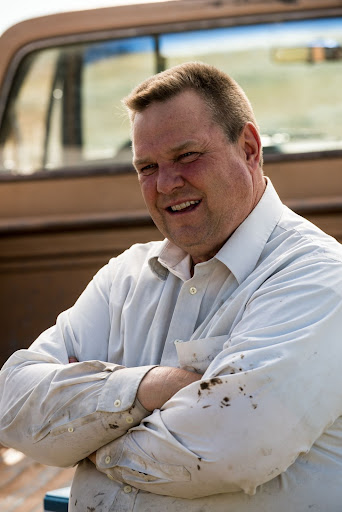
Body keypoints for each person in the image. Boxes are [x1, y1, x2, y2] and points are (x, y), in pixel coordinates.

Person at [1, 62, 342, 512]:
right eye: (147, 167)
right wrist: (151, 387)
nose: (165, 183)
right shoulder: (125, 276)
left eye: (187, 156)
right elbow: (12, 401)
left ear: (249, 148)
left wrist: (84, 440)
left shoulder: (317, 276)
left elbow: (226, 449)